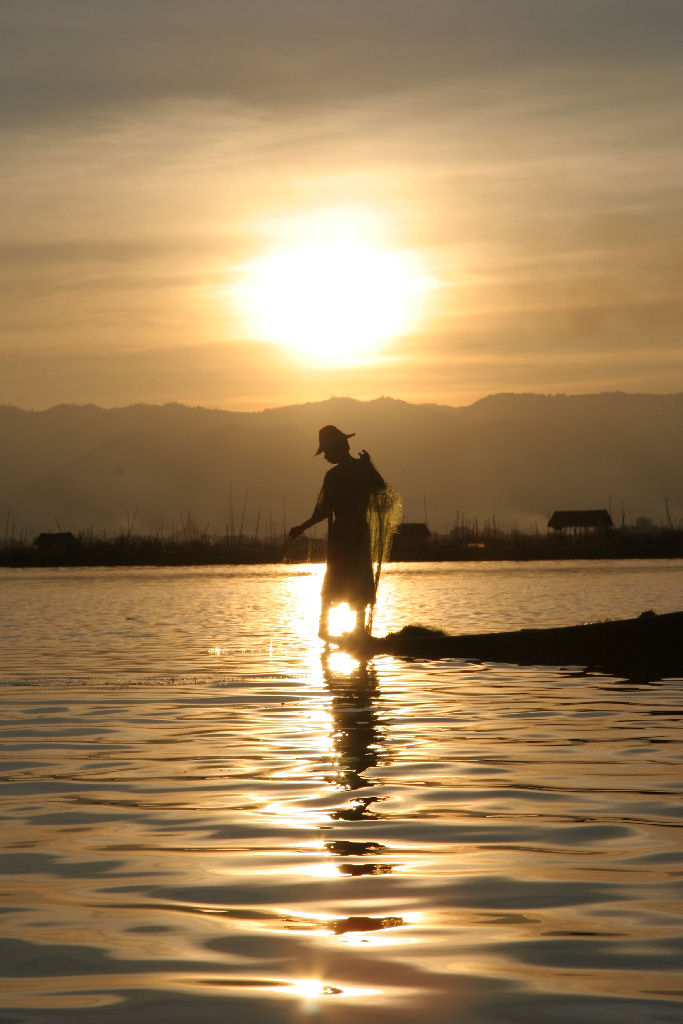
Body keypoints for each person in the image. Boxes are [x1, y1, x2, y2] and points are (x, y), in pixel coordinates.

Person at [289, 424, 399, 639]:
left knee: (337, 581)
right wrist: (370, 467)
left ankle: (326, 631)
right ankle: (357, 632)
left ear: (339, 448)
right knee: (357, 581)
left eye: (327, 452)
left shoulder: (334, 476)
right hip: (358, 535)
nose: (325, 457)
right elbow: (381, 490)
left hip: (342, 538)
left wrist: (301, 528)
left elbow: (322, 512)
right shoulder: (361, 470)